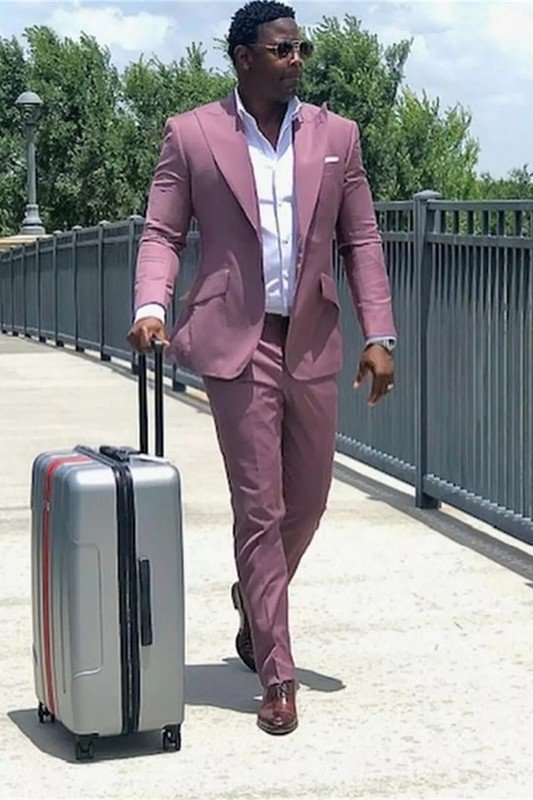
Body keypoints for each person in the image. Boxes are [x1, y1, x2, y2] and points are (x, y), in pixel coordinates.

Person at [127, 0, 396, 736]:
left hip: (310, 339)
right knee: (260, 508)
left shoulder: (336, 136)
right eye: (282, 49)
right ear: (244, 58)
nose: (296, 60)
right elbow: (162, 232)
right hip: (235, 343)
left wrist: (380, 334)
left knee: (308, 500)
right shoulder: (192, 134)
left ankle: (254, 595)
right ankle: (276, 674)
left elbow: (361, 240)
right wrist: (151, 304)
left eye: (300, 48)